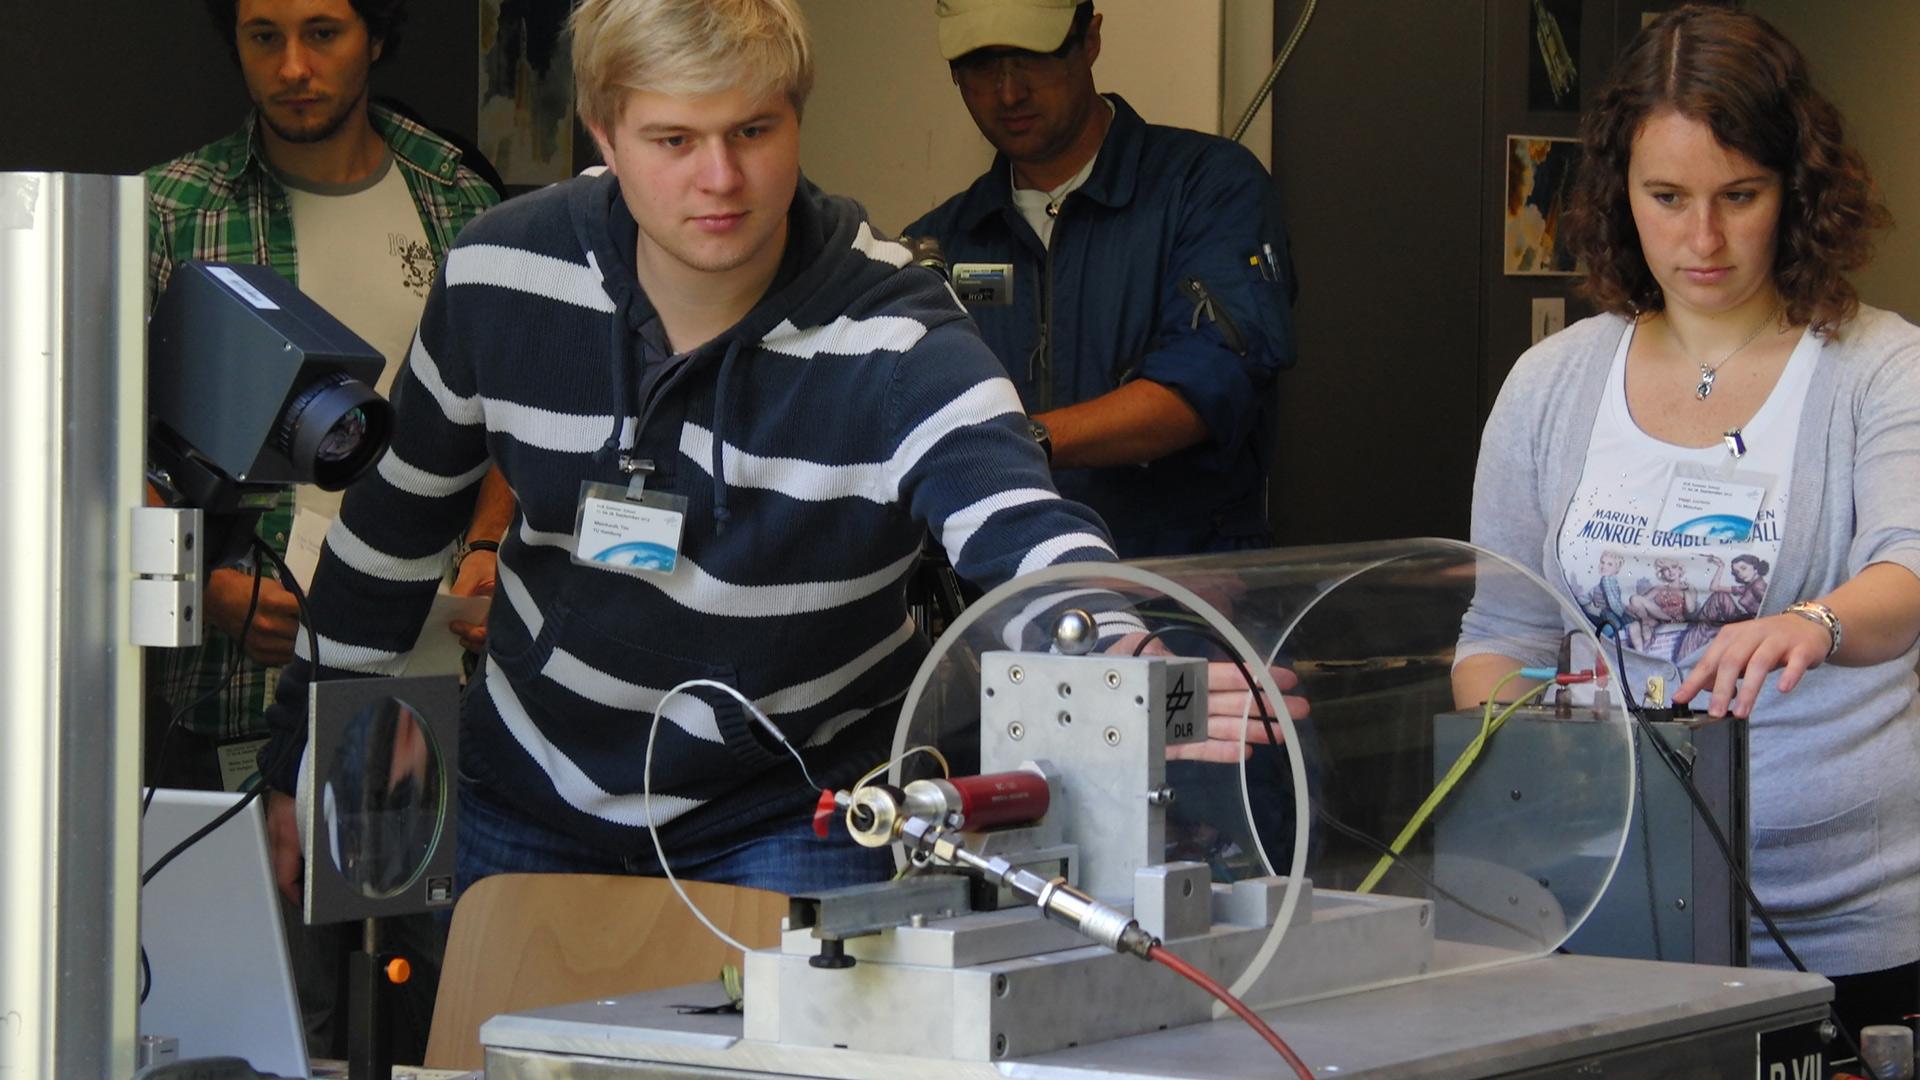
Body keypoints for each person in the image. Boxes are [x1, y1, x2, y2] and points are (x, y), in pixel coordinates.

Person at [258, 0, 1135, 908]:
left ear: (797, 117)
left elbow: (1028, 533)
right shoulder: (497, 274)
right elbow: (391, 531)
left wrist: (1136, 653)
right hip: (527, 791)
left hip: (795, 810)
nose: (721, 178)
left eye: (753, 130)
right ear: (605, 132)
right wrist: (298, 758)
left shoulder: (896, 336)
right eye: (673, 140)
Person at [1455, 5, 1920, 1044]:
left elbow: (1910, 574)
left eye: (1739, 196)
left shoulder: (1880, 368)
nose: (1702, 238)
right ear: (1620, 193)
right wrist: (1546, 764)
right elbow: (1498, 643)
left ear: (1796, 190)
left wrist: (1817, 623)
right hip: (1607, 911)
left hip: (1847, 930)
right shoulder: (1550, 386)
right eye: (1667, 198)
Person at [144, 0, 507, 1061]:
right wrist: (199, 576)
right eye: (264, 38)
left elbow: (515, 419)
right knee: (273, 1021)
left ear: (376, 36)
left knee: (441, 1005)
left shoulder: (454, 199)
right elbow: (105, 443)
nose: (294, 67)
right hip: (254, 677)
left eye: (323, 32)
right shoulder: (176, 209)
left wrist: (487, 548)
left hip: (438, 668)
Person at [906, 0, 1296, 558]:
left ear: (1089, 39)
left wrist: (1023, 440)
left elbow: (1210, 383)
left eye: (1032, 58)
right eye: (982, 64)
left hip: (1183, 598)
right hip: (1001, 603)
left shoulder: (1206, 189)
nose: (1008, 92)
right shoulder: (938, 246)